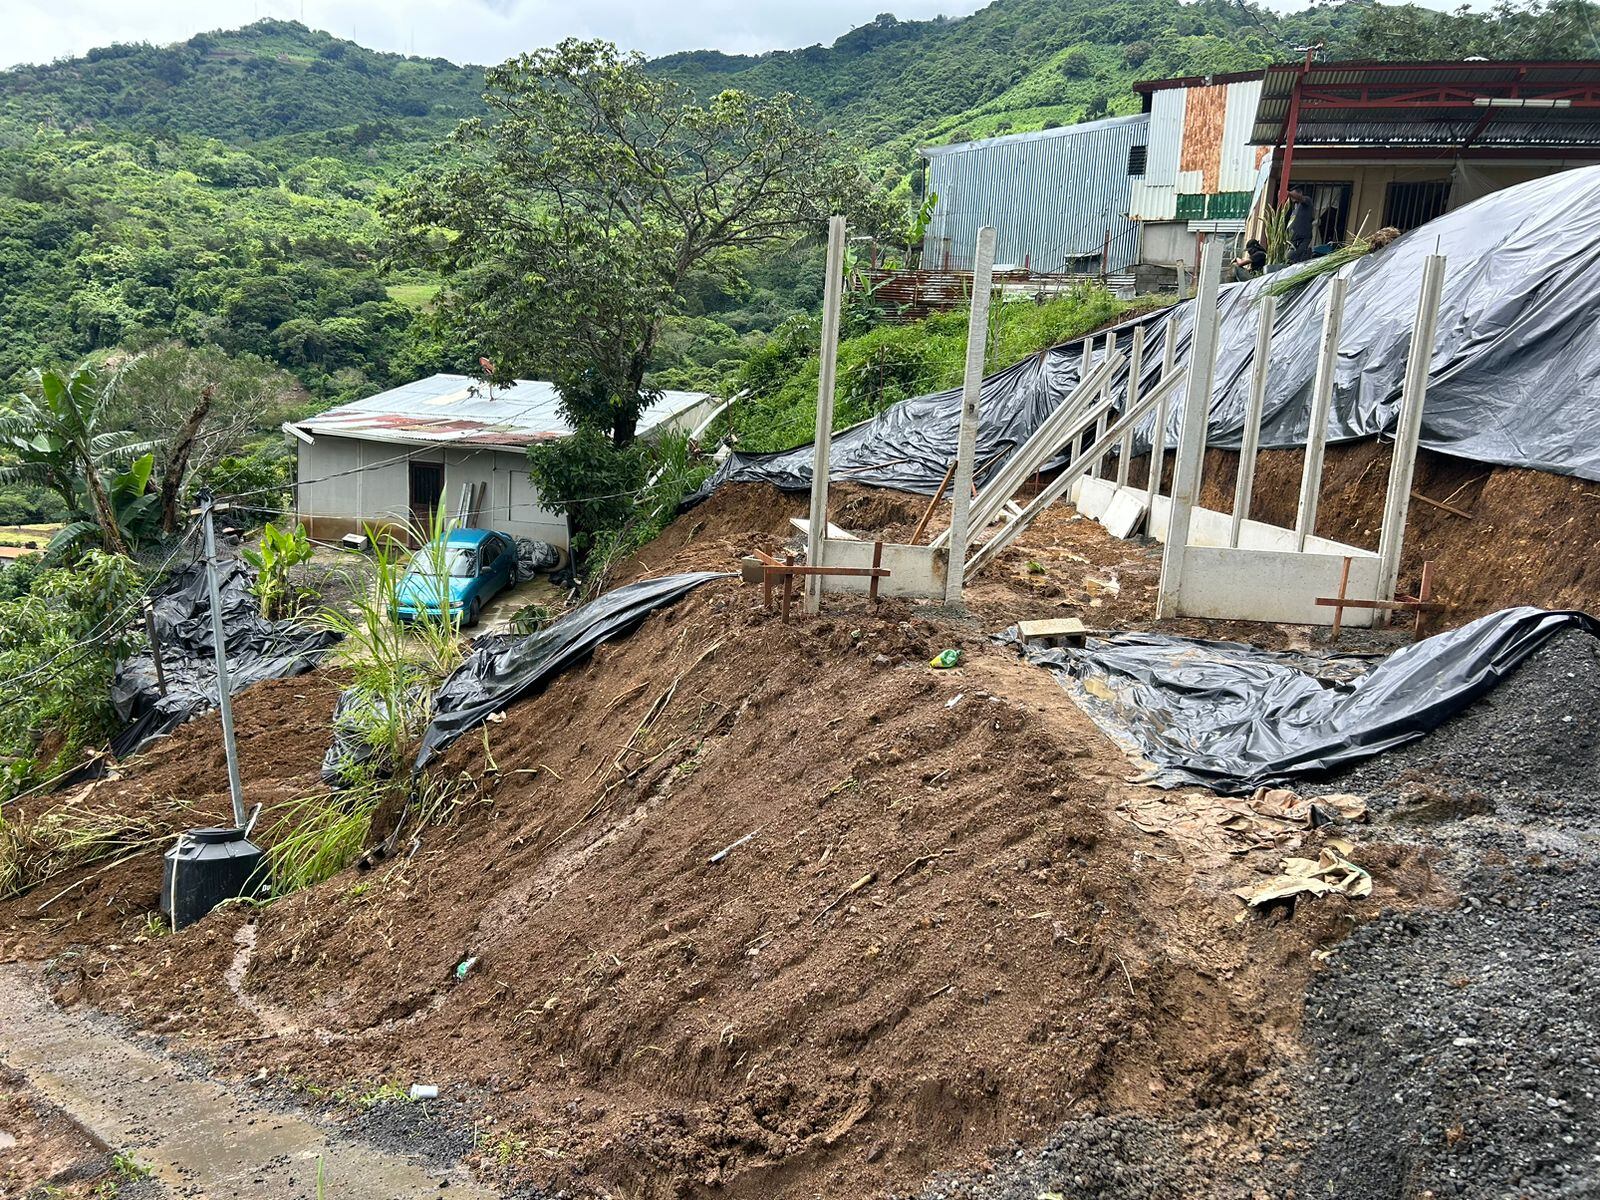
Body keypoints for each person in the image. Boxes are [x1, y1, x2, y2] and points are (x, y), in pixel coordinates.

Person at [1286, 188, 1316, 263]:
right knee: (1289, 258)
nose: (1292, 197)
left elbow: (1300, 198)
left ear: (1300, 193)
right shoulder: (1295, 209)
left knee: (1294, 257)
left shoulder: (1306, 201)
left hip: (1302, 239)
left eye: (1294, 194)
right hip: (1293, 240)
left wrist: (1288, 193)